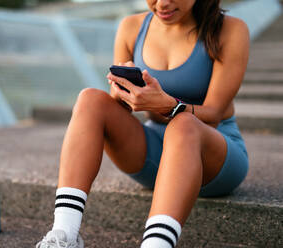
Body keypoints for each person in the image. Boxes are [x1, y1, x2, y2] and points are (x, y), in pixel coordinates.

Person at [36, 0, 249, 247]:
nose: (162, 3)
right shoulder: (131, 27)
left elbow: (213, 113)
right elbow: (120, 106)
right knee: (90, 99)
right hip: (155, 156)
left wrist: (167, 104)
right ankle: (64, 235)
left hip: (214, 159)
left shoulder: (230, 29)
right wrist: (122, 94)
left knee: (184, 124)